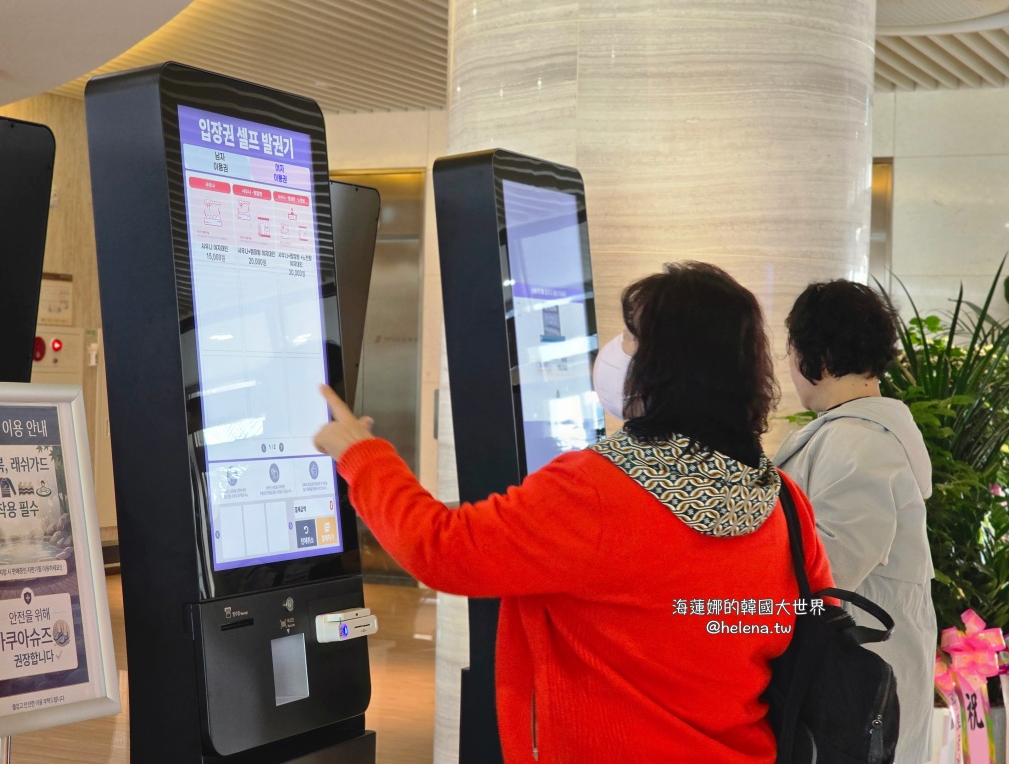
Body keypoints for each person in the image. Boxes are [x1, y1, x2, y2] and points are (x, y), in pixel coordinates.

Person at [315, 261, 834, 763]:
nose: (616, 351)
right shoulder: (783, 502)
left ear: (663, 368)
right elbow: (815, 615)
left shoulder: (596, 492)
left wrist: (361, 454)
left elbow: (443, 549)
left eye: (631, 338)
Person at [774, 280, 937, 764]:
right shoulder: (862, 433)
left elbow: (829, 569)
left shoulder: (859, 442)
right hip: (866, 682)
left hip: (857, 688)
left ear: (816, 356)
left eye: (791, 352)